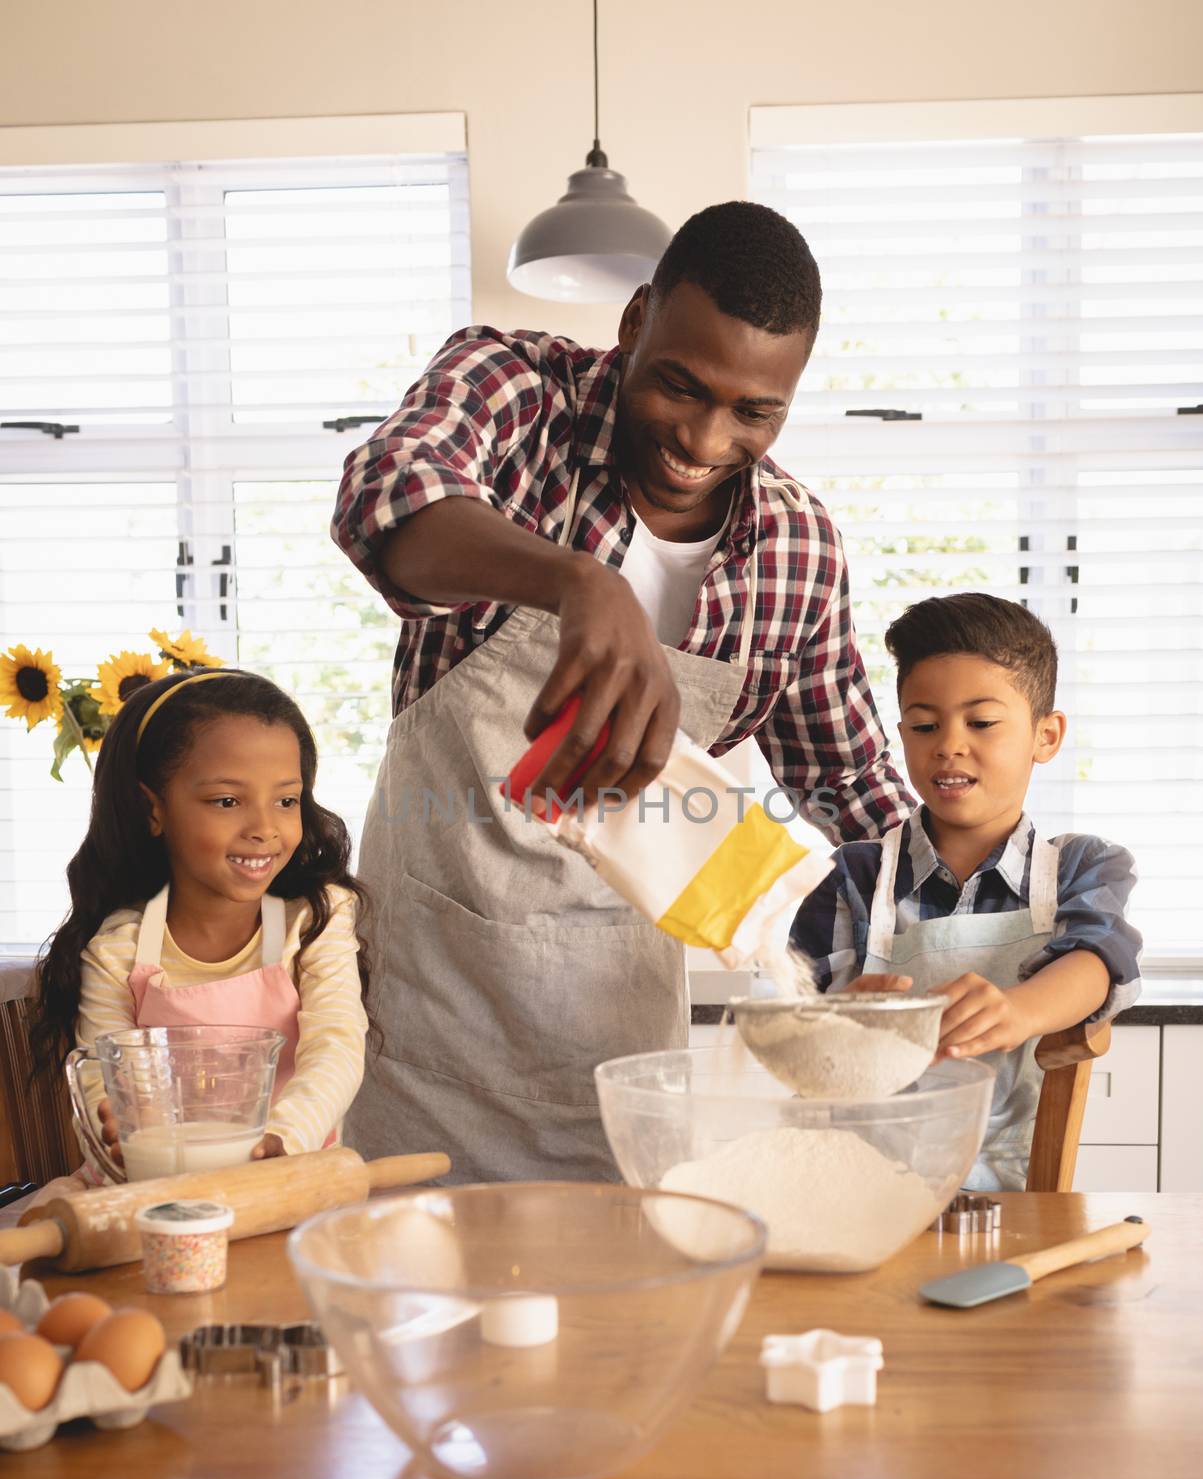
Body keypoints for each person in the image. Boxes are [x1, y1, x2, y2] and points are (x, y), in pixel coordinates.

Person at [331, 199, 913, 1183]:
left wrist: (949, 941)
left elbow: (854, 790)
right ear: (636, 319)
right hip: (429, 1026)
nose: (703, 435)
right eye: (681, 387)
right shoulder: (518, 390)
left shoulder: (797, 550)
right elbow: (388, 495)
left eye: (754, 411)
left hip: (621, 1053)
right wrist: (578, 582)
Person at [790, 592, 1142, 1188]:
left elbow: (1099, 961)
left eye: (980, 722)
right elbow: (799, 1035)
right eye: (925, 725)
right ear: (901, 733)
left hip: (1015, 1187)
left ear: (1046, 736)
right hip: (860, 1182)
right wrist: (840, 1022)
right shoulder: (853, 876)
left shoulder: (1081, 867)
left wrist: (1016, 1010)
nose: (949, 744)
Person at [31, 668, 371, 1181]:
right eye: (227, 801)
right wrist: (117, 1133)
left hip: (285, 1178)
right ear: (154, 809)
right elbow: (102, 1075)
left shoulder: (317, 920)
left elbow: (337, 1046)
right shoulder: (118, 949)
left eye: (286, 800)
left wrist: (282, 1139)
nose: (264, 829)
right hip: (153, 1188)